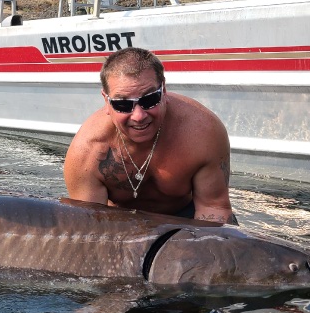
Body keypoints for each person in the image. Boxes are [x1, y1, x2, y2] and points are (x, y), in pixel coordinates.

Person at [64, 47, 236, 223]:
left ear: (164, 90)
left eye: (149, 100)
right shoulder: (87, 151)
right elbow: (91, 226)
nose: (138, 116)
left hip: (186, 218)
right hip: (120, 224)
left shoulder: (203, 132)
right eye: (123, 104)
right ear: (106, 101)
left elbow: (213, 207)